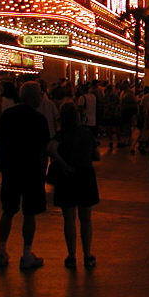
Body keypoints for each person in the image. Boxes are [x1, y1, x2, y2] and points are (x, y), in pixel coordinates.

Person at [0, 82, 51, 270]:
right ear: (33, 97)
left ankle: (1, 251)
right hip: (32, 172)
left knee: (8, 210)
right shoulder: (39, 119)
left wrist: (2, 165)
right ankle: (26, 254)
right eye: (40, 94)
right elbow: (44, 148)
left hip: (11, 170)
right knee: (29, 213)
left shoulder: (7, 116)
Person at [48, 102, 100, 269]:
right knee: (86, 219)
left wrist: (63, 164)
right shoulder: (86, 133)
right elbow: (96, 155)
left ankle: (71, 255)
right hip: (85, 176)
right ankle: (88, 254)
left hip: (66, 178)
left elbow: (51, 148)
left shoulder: (61, 134)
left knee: (68, 219)